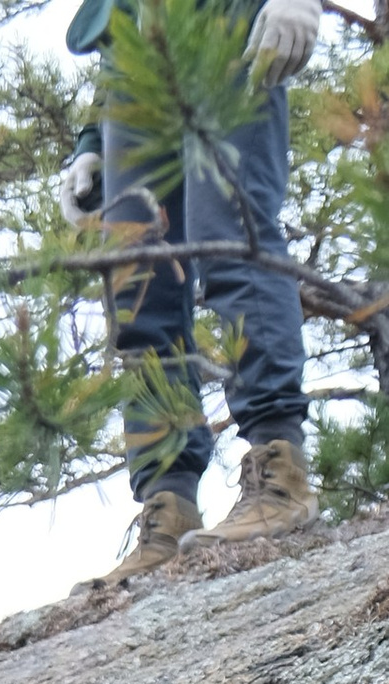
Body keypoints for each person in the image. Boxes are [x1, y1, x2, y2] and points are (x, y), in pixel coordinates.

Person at [60, 0, 320, 577]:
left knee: (230, 237)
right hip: (133, 50)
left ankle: (280, 475)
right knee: (139, 286)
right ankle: (167, 508)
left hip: (229, 16)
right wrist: (91, 140)